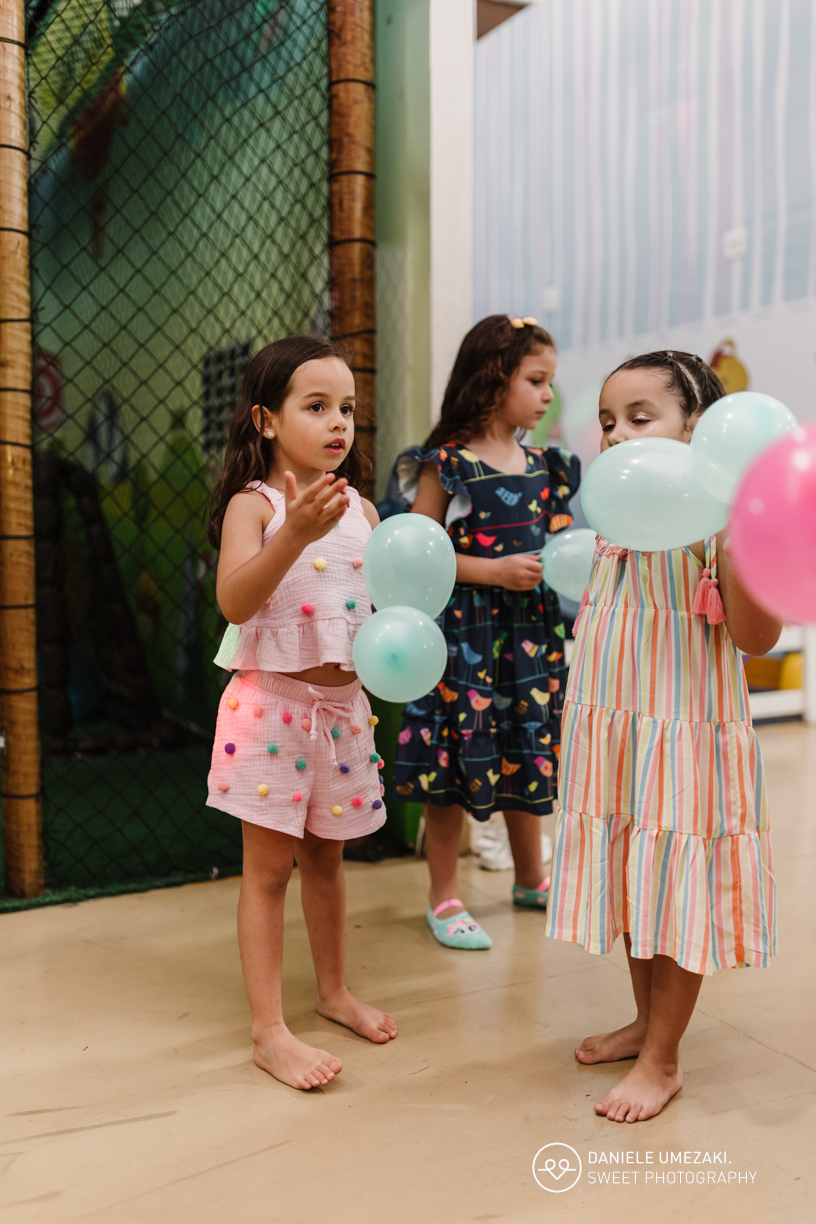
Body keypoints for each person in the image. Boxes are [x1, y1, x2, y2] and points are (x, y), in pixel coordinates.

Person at [545, 350, 780, 1122]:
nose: (616, 435)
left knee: (674, 881)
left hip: (682, 731)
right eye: (608, 422)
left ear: (700, 430)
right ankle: (648, 1021)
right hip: (617, 724)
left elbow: (754, 636)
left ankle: (665, 1057)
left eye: (640, 419)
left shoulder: (711, 520)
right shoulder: (622, 512)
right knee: (633, 869)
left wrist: (739, 531)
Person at [205, 335, 397, 1091]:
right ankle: (268, 1030)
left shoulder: (365, 510)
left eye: (346, 407)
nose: (337, 422)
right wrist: (294, 533)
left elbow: (374, 611)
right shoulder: (255, 508)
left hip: (344, 713)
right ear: (266, 420)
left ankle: (333, 992)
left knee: (327, 857)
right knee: (267, 873)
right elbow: (234, 602)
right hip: (271, 711)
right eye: (315, 406)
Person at [393, 315, 580, 949]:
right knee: (457, 753)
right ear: (493, 378)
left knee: (523, 747)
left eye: (550, 381)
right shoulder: (447, 464)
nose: (548, 394)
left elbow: (556, 545)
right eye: (536, 379)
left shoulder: (546, 465)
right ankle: (443, 896)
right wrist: (494, 571)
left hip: (527, 634)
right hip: (463, 637)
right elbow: (420, 552)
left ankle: (531, 878)